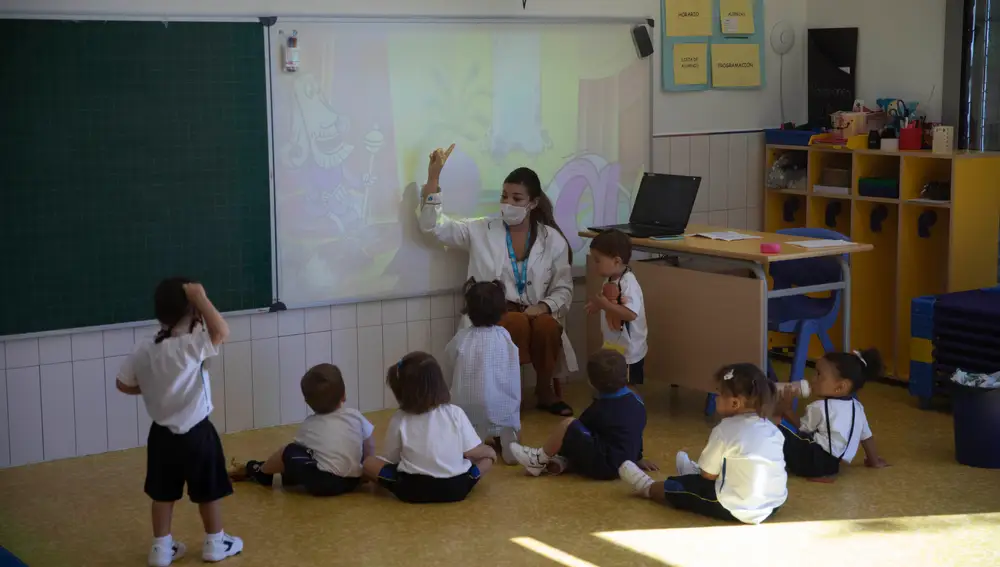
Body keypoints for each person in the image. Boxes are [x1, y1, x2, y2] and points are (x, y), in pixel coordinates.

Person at [418, 144, 577, 416]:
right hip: (495, 311)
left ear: (533, 203)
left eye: (517, 199)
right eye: (505, 196)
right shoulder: (481, 229)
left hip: (535, 310)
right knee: (513, 322)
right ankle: (506, 396)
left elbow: (564, 288)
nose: (508, 204)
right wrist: (434, 178)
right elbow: (434, 227)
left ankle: (544, 390)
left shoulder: (552, 240)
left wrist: (545, 306)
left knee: (548, 327)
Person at [115, 279, 242, 566]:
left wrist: (151, 387)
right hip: (197, 433)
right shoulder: (192, 345)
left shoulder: (145, 348)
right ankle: (215, 541)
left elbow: (123, 385)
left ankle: (161, 548)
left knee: (162, 492)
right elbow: (222, 330)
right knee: (208, 490)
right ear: (192, 310)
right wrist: (201, 297)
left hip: (161, 435)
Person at [619, 363, 788, 525]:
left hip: (738, 506)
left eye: (719, 394)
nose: (716, 398)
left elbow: (707, 475)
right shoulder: (772, 428)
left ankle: (647, 487)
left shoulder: (725, 430)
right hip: (773, 504)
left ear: (735, 403)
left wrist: (700, 477)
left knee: (683, 488)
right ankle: (693, 472)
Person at [361, 352, 497, 503]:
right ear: (439, 383)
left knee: (368, 463)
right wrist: (489, 451)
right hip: (456, 488)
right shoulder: (455, 413)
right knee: (486, 459)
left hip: (411, 489)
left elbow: (391, 458)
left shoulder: (400, 418)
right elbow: (472, 451)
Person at [228, 363, 374, 496]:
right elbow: (369, 445)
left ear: (308, 403)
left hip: (324, 484)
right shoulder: (355, 416)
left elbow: (298, 451)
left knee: (288, 451)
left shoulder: (310, 425)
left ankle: (262, 471)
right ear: (344, 395)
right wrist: (366, 471)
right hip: (354, 480)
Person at [507, 350, 656, 479]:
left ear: (591, 382)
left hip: (605, 467)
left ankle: (539, 459)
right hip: (627, 464)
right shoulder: (637, 402)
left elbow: (574, 433)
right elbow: (636, 431)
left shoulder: (599, 409)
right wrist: (638, 457)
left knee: (568, 424)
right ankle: (561, 462)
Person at [442, 278, 521, 464]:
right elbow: (514, 362)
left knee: (468, 421)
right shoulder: (504, 336)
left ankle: (472, 446)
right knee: (506, 412)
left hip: (470, 405)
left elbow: (448, 359)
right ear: (502, 309)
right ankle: (508, 442)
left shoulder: (463, 337)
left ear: (468, 311)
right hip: (502, 403)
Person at [777, 349, 889, 481]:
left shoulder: (819, 407)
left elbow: (801, 429)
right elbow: (866, 438)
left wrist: (787, 410)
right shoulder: (858, 408)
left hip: (811, 461)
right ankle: (822, 475)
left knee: (775, 426)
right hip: (833, 466)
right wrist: (874, 461)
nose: (813, 379)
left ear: (840, 387)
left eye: (819, 375)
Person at [585, 229, 647, 384]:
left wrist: (604, 305)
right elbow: (608, 301)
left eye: (598, 260)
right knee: (615, 384)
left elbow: (631, 314)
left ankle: (632, 406)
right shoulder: (610, 280)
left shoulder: (628, 283)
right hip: (615, 347)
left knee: (629, 385)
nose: (595, 265)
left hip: (629, 352)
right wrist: (598, 305)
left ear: (616, 261)